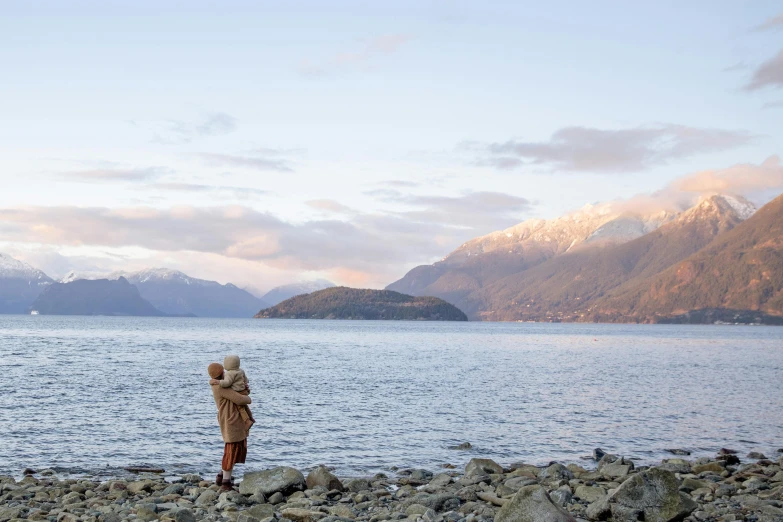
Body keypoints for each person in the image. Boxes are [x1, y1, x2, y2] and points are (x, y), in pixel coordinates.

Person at [208, 362, 253, 490]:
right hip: (230, 420)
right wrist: (248, 398)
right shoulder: (221, 388)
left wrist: (244, 389)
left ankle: (221, 476)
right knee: (231, 448)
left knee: (233, 447)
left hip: (230, 418)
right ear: (221, 373)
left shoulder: (222, 385)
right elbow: (240, 399)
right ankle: (225, 483)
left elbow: (238, 393)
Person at [211, 355, 254, 428]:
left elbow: (227, 383)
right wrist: (245, 385)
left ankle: (247, 421)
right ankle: (250, 418)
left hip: (238, 392)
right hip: (242, 390)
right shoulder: (240, 370)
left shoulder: (229, 374)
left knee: (240, 407)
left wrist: (219, 382)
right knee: (244, 406)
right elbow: (246, 380)